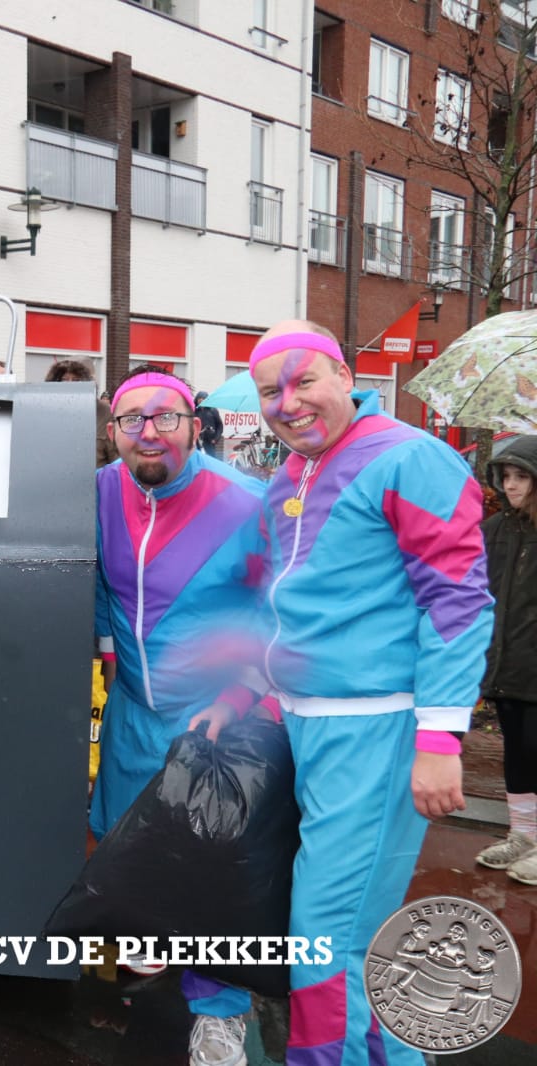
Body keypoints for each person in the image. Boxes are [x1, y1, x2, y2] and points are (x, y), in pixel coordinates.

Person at [249, 321, 492, 1066]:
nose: (288, 402)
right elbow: (289, 600)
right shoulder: (292, 473)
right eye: (270, 391)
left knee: (325, 938)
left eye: (304, 381)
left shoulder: (410, 457)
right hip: (308, 727)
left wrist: (439, 737)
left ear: (345, 377)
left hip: (373, 730)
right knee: (352, 935)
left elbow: (457, 600)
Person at [92, 365, 267, 1066]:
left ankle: (220, 1012)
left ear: (195, 426)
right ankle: (153, 947)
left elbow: (280, 613)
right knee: (127, 843)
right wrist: (105, 660)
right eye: (131, 419)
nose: (149, 432)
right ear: (112, 431)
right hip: (135, 708)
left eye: (165, 416)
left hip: (216, 718)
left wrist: (241, 692)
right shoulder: (97, 494)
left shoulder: (247, 503)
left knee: (212, 868)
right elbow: (95, 588)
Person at [473, 435, 537, 884]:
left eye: (521, 477)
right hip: (507, 662)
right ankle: (524, 835)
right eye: (506, 476)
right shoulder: (495, 530)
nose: (511, 485)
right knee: (517, 751)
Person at [46, 358, 117, 467]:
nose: (70, 384)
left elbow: (117, 461)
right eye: (64, 380)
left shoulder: (105, 412)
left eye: (76, 380)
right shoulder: (46, 412)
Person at [194, 391, 225, 460]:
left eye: (203, 399)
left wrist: (215, 439)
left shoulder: (213, 410)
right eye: (199, 399)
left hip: (209, 441)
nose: (201, 401)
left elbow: (220, 426)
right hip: (197, 440)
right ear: (196, 400)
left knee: (211, 459)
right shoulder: (194, 411)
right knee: (197, 459)